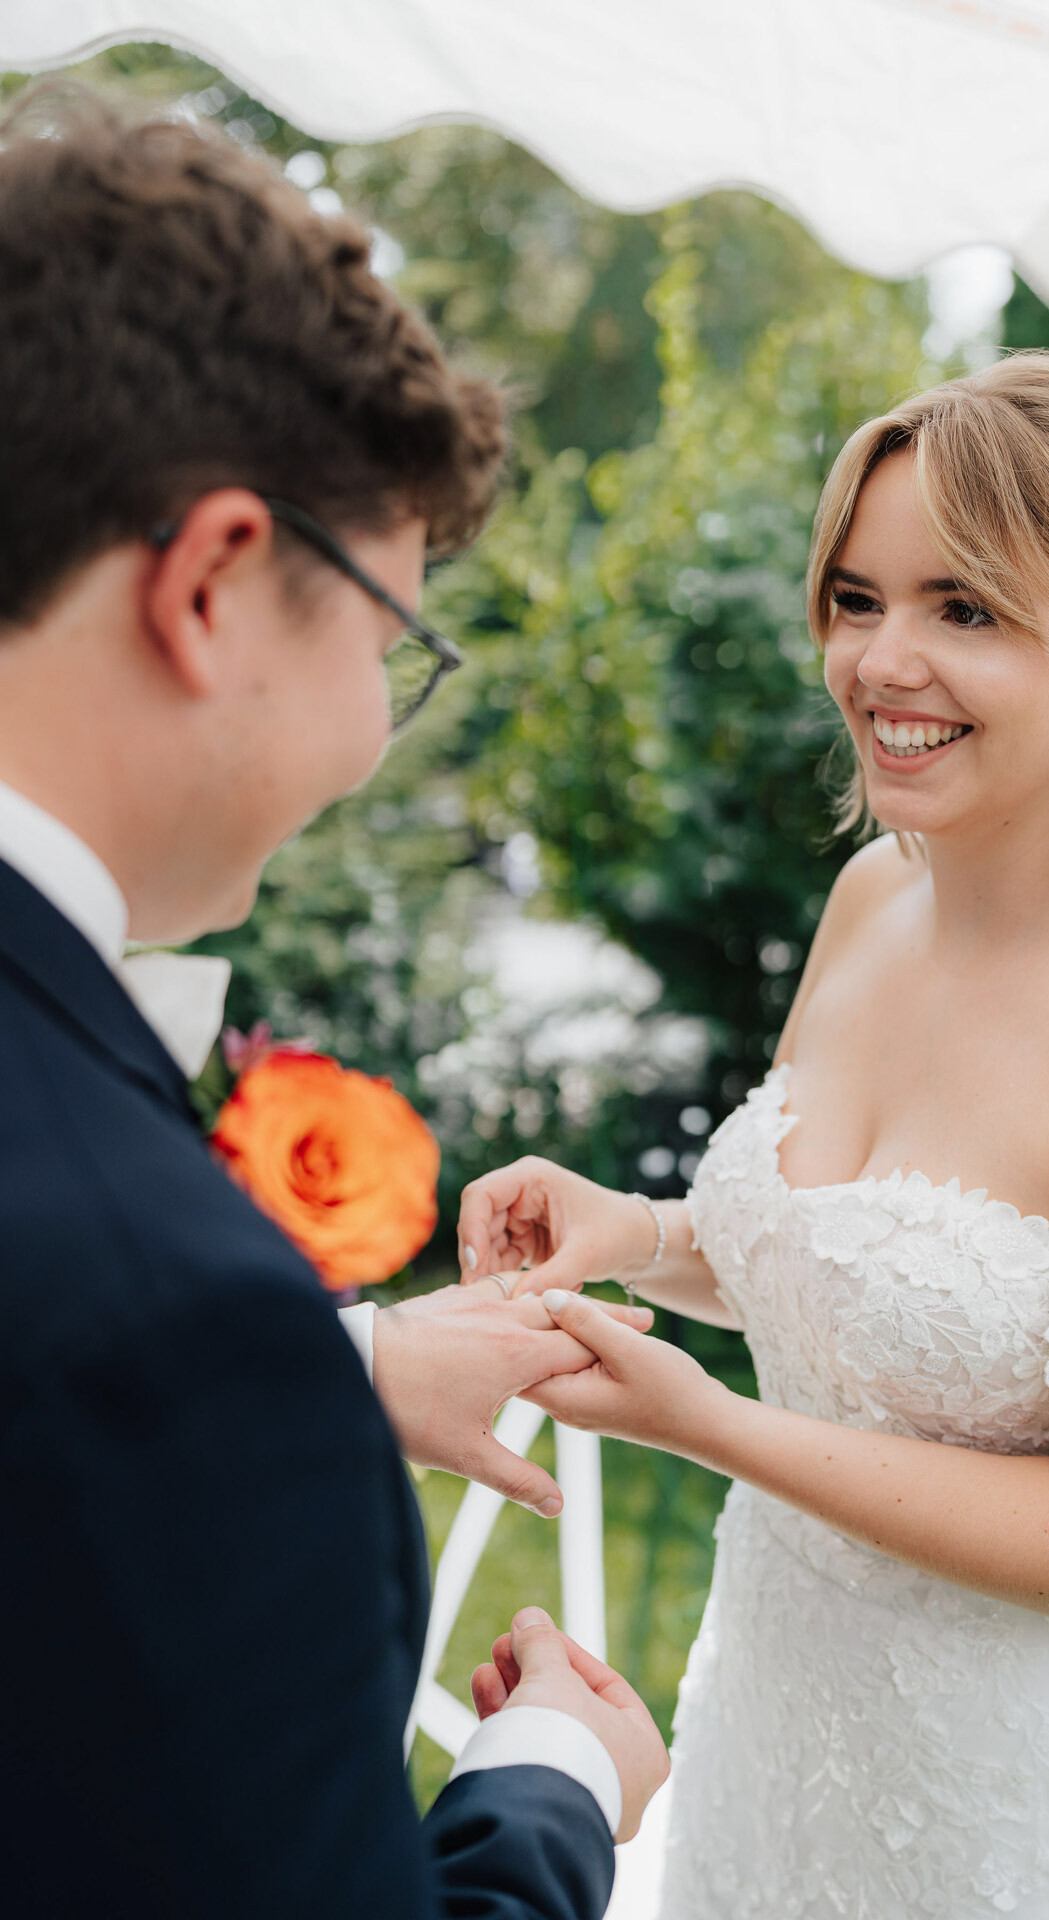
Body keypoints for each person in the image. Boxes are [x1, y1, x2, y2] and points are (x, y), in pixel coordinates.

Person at [460, 355, 1049, 1918]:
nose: (881, 661)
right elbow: (852, 1271)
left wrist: (707, 1424)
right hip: (777, 1742)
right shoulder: (872, 901)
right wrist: (638, 1235)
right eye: (855, 597)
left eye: (963, 608)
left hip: (1030, 1831)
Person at [0, 89, 668, 1918]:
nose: (378, 731)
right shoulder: (178, 1334)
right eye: (390, 645)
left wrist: (355, 1361)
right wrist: (549, 1790)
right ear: (216, 582)